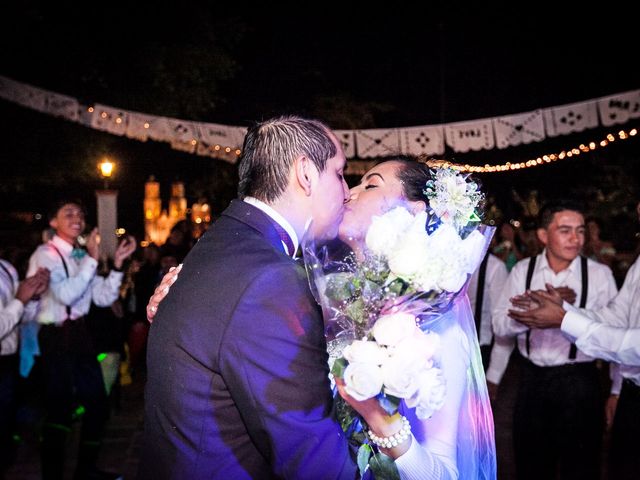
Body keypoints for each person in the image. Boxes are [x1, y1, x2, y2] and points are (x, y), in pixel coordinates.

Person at [146, 150, 497, 479]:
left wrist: (380, 420)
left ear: (417, 211)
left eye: (370, 184)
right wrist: (185, 308)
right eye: (351, 181)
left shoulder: (436, 329)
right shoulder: (323, 296)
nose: (349, 192)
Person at [508, 199, 640, 480]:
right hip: (534, 380)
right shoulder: (523, 270)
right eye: (565, 230)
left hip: (580, 381)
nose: (576, 238)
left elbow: (631, 344)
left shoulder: (600, 273)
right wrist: (561, 309)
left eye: (580, 230)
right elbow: (618, 318)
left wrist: (562, 318)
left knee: (581, 466)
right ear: (544, 236)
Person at [23, 198, 135, 480]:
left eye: (80, 213)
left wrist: (118, 266)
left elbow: (102, 296)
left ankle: (86, 470)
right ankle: (53, 474)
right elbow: (65, 295)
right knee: (59, 407)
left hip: (80, 334)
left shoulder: (82, 256)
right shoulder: (44, 254)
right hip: (56, 334)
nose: (77, 217)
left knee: (97, 403)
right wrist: (92, 260)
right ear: (53, 222)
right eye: (68, 213)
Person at [0, 258, 49, 478]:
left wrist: (34, 296)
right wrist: (20, 300)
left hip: (8, 359)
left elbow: (23, 317)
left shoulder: (6, 268)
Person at [467, 251, 509, 369]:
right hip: (452, 344)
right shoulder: (452, 263)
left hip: (481, 347)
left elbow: (500, 319)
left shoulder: (495, 267)